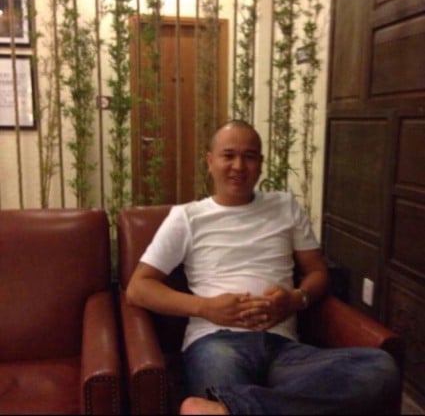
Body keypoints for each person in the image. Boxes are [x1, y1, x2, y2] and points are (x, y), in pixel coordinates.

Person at [126, 120, 400, 415]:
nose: (238, 166)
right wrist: (206, 307)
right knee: (226, 384)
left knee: (380, 368)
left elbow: (317, 273)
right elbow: (138, 288)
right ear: (210, 161)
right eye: (228, 155)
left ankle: (228, 410)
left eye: (249, 156)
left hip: (284, 349)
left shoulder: (285, 206)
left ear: (260, 163)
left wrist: (295, 299)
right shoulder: (187, 217)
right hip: (217, 343)